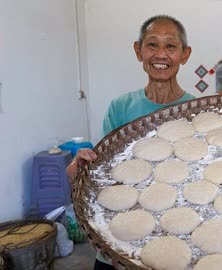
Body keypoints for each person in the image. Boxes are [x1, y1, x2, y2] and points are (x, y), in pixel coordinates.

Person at [66, 14, 195, 270]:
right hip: (119, 242)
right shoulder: (121, 108)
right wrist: (81, 171)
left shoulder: (198, 112)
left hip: (173, 241)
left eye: (170, 46)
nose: (161, 54)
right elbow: (105, 174)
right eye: (152, 45)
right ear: (139, 51)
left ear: (185, 54)